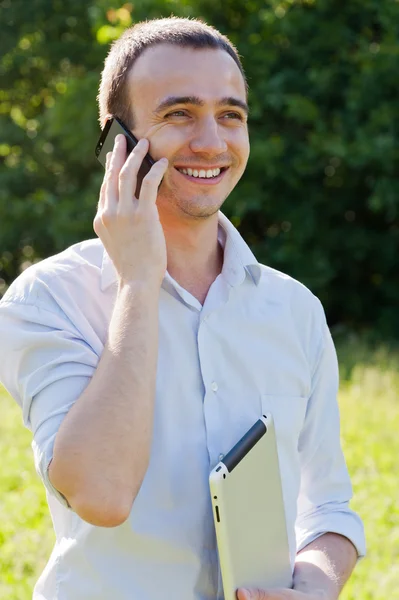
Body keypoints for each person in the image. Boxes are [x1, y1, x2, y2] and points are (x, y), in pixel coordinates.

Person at [0, 16, 365, 600]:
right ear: (119, 143)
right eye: (179, 114)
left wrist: (316, 586)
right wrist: (139, 284)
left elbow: (327, 508)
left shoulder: (294, 310)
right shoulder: (46, 300)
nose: (212, 142)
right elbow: (101, 493)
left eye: (230, 115)